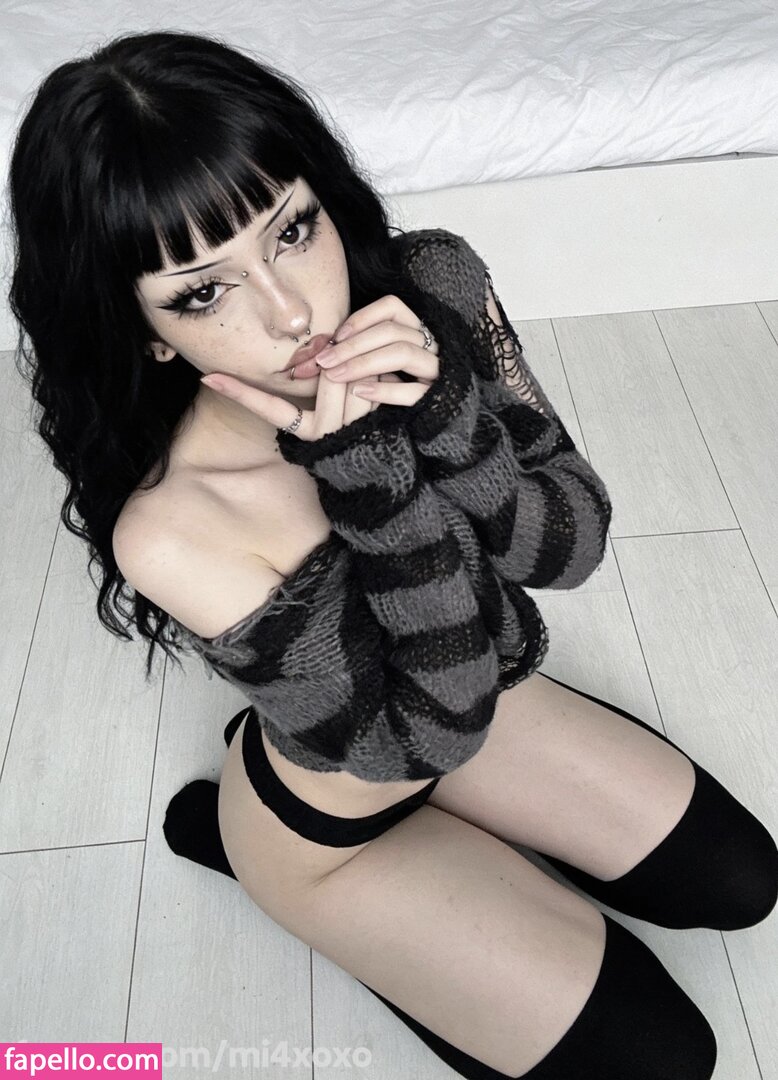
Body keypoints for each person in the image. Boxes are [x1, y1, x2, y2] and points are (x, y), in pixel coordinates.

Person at [7, 28, 776, 1080]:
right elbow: (423, 737)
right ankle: (241, 845)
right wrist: (369, 476)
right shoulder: (172, 527)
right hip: (344, 806)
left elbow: (571, 542)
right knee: (665, 1060)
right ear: (144, 329)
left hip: (468, 695)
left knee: (743, 882)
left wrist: (449, 412)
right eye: (202, 292)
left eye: (292, 230)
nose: (291, 312)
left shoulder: (435, 286)